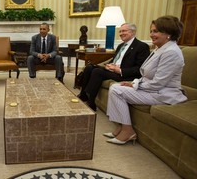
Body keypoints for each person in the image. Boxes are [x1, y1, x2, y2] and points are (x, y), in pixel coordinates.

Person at [105, 15, 187, 145]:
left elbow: (158, 83)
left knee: (116, 90)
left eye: (155, 31)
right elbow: (147, 74)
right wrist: (133, 83)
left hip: (163, 94)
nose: (151, 35)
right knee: (116, 86)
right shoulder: (159, 48)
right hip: (153, 89)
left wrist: (134, 84)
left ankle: (127, 131)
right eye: (151, 31)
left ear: (169, 34)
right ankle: (120, 127)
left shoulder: (171, 52)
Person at [78, 23, 150, 111]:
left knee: (97, 72)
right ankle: (83, 95)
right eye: (120, 31)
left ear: (132, 32)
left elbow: (140, 69)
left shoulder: (141, 46)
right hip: (113, 70)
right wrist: (108, 65)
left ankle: (91, 102)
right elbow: (115, 60)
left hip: (124, 74)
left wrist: (120, 70)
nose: (121, 33)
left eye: (124, 31)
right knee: (89, 67)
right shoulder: (120, 46)